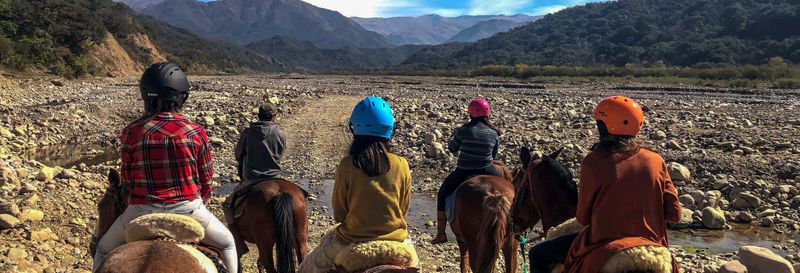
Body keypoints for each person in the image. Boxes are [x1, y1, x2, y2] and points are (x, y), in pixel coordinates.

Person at [92, 62, 237, 273]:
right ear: (182, 96)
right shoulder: (195, 131)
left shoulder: (132, 131)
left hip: (139, 211)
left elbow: (128, 179)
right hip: (188, 210)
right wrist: (201, 199)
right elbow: (206, 179)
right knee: (227, 244)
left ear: (145, 96)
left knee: (103, 250)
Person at [527, 96, 682, 273]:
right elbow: (675, 214)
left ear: (603, 127)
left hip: (605, 245)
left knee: (538, 254)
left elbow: (583, 217)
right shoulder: (655, 159)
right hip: (652, 246)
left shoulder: (593, 161)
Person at [297, 96, 413, 273]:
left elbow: (340, 212)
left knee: (305, 269)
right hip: (397, 241)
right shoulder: (402, 164)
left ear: (355, 128)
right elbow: (403, 208)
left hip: (351, 240)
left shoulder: (347, 164)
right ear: (389, 129)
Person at [431, 97, 502, 244]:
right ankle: (515, 227)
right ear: (488, 113)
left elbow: (452, 148)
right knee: (510, 188)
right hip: (487, 169)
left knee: (442, 193)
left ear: (470, 114)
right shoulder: (494, 133)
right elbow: (493, 154)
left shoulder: (464, 130)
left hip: (464, 170)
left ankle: (441, 233)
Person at [222, 102, 286, 224]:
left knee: (228, 205)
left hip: (252, 178)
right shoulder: (280, 133)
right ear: (274, 116)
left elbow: (238, 155)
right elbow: (280, 155)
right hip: (275, 177)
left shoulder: (248, 132)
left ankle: (235, 236)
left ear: (259, 116)